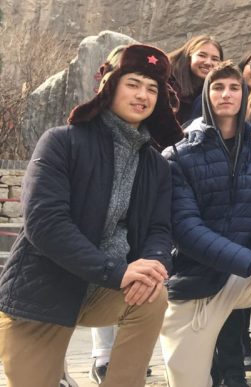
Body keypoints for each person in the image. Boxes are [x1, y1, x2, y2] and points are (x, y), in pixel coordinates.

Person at [0, 44, 182, 387]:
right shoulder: (61, 142)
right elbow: (45, 223)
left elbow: (160, 227)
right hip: (43, 292)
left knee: (152, 294)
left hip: (105, 288)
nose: (143, 94)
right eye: (133, 83)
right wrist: (117, 270)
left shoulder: (156, 165)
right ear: (110, 86)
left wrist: (155, 262)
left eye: (153, 88)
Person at [160, 61, 251, 387]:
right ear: (207, 94)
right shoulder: (180, 153)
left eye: (234, 88)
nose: (226, 94)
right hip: (193, 284)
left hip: (239, 279)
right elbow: (185, 229)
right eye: (218, 87)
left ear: (244, 94)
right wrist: (250, 262)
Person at [168, 35, 224, 123]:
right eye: (202, 55)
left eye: (215, 59)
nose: (208, 63)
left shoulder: (214, 89)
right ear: (189, 56)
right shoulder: (167, 81)